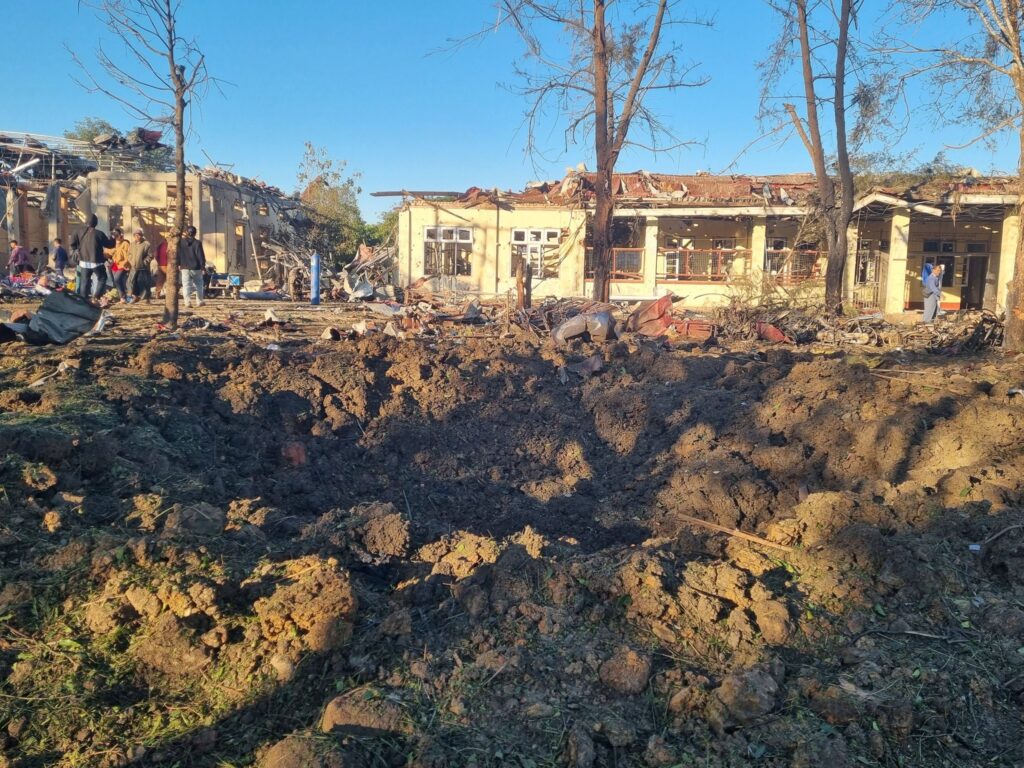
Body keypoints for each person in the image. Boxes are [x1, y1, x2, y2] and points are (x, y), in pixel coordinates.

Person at [70, 214, 115, 299]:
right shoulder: (99, 233)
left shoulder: (78, 231)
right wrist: (113, 238)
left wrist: (78, 249)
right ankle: (96, 296)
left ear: (86, 221)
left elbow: (72, 243)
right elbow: (109, 245)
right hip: (96, 262)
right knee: (102, 278)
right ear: (96, 223)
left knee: (84, 281)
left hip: (83, 262)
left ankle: (84, 299)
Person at [178, 225, 207, 307]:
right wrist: (203, 266)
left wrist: (179, 264)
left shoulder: (181, 242)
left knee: (186, 285)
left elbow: (178, 254)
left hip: (184, 267)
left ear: (186, 232)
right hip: (196, 267)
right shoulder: (198, 243)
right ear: (195, 233)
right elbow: (200, 255)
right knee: (199, 285)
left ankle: (187, 302)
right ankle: (199, 301)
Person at [126, 229, 153, 303]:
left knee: (144, 283)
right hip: (134, 267)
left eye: (139, 235)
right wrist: (131, 261)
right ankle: (134, 296)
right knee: (131, 282)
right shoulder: (132, 244)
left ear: (142, 236)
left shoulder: (146, 244)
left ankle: (146, 298)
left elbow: (150, 255)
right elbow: (129, 254)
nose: (137, 237)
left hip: (143, 268)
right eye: (135, 235)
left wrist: (144, 263)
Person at [110, 228, 131, 302]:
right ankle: (119, 295)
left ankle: (123, 297)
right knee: (115, 280)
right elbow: (108, 251)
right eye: (114, 235)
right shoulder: (112, 243)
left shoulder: (125, 243)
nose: (115, 237)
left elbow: (128, 255)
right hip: (114, 264)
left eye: (117, 235)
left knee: (117, 279)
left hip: (122, 264)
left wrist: (126, 263)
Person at [154, 234, 168, 298]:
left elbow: (156, 255)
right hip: (169, 265)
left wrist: (159, 262)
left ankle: (157, 294)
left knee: (160, 280)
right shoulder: (171, 245)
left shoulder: (160, 245)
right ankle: (171, 294)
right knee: (171, 280)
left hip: (161, 265)